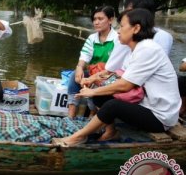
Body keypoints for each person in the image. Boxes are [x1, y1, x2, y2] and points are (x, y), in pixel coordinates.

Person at [53, 8, 181, 147]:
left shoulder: (148, 50)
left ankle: (78, 137)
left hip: (160, 117)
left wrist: (93, 91)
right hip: (146, 104)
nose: (118, 31)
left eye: (122, 26)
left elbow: (125, 85)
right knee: (100, 96)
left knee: (112, 105)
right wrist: (93, 79)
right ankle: (111, 131)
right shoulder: (136, 49)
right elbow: (117, 73)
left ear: (136, 28)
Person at [89, 0, 173, 83]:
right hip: (126, 80)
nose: (118, 31)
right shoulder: (162, 36)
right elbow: (116, 70)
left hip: (139, 88)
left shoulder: (149, 43)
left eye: (129, 12)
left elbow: (120, 75)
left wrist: (94, 86)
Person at [67, 5, 117, 118]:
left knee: (95, 84)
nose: (96, 22)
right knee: (74, 76)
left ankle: (93, 113)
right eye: (94, 19)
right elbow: (85, 55)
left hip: (110, 76)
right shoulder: (92, 38)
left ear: (110, 20)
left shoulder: (117, 39)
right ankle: (71, 114)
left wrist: (94, 78)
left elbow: (116, 67)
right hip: (94, 73)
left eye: (100, 19)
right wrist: (79, 67)